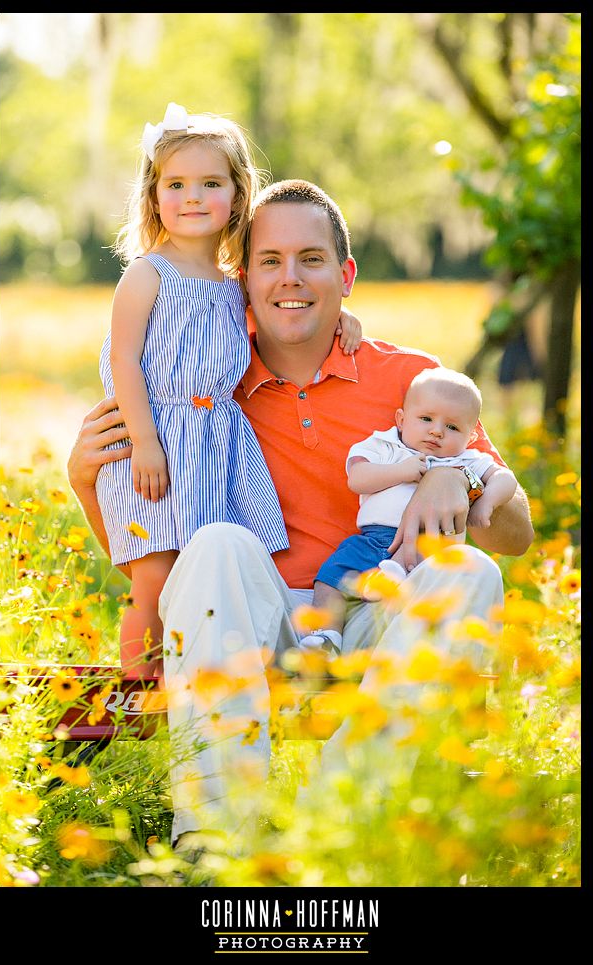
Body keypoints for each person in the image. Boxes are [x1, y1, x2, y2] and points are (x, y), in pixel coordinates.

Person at [68, 179, 534, 850]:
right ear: (243, 280)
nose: (292, 278)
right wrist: (84, 482)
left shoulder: (413, 381)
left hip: (379, 615)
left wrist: (452, 479)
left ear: (345, 275)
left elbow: (515, 535)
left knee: (472, 570)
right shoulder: (203, 377)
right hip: (256, 624)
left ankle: (334, 831)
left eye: (311, 259)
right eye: (271, 260)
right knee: (218, 543)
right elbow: (151, 544)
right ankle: (217, 841)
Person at [95, 104, 361, 677]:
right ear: (154, 194)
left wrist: (345, 319)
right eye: (177, 184)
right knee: (156, 575)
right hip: (160, 441)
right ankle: (142, 689)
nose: (193, 197)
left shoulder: (234, 284)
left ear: (239, 196)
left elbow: (284, 309)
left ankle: (200, 672)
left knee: (207, 568)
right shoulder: (146, 275)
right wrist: (143, 442)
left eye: (210, 183)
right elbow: (123, 362)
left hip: (216, 449)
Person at [299, 366, 518, 653]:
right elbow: (358, 478)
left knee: (436, 564)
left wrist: (485, 502)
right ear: (401, 420)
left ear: (472, 436)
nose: (437, 431)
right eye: (426, 419)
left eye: (452, 427)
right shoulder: (384, 445)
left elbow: (505, 479)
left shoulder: (465, 459)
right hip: (372, 539)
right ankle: (326, 635)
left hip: (432, 544)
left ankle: (396, 578)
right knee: (330, 577)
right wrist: (401, 471)